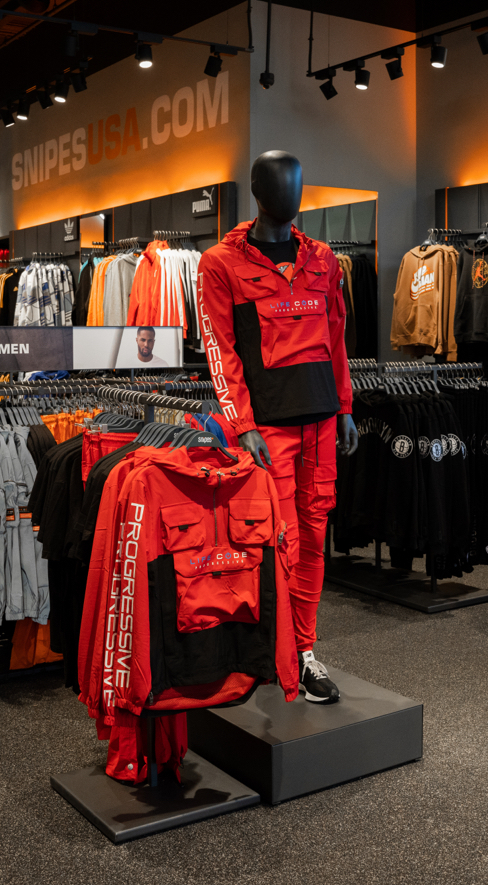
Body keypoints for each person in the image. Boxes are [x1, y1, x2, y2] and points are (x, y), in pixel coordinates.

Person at [197, 150, 358, 705]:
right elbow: (220, 351)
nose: (290, 192)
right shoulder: (220, 263)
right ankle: (272, 651)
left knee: (313, 540)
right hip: (268, 431)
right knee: (275, 541)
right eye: (279, 182)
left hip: (320, 424)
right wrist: (241, 425)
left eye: (297, 182)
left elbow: (336, 340)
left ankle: (304, 652)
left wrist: (345, 407)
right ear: (257, 189)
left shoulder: (324, 259)